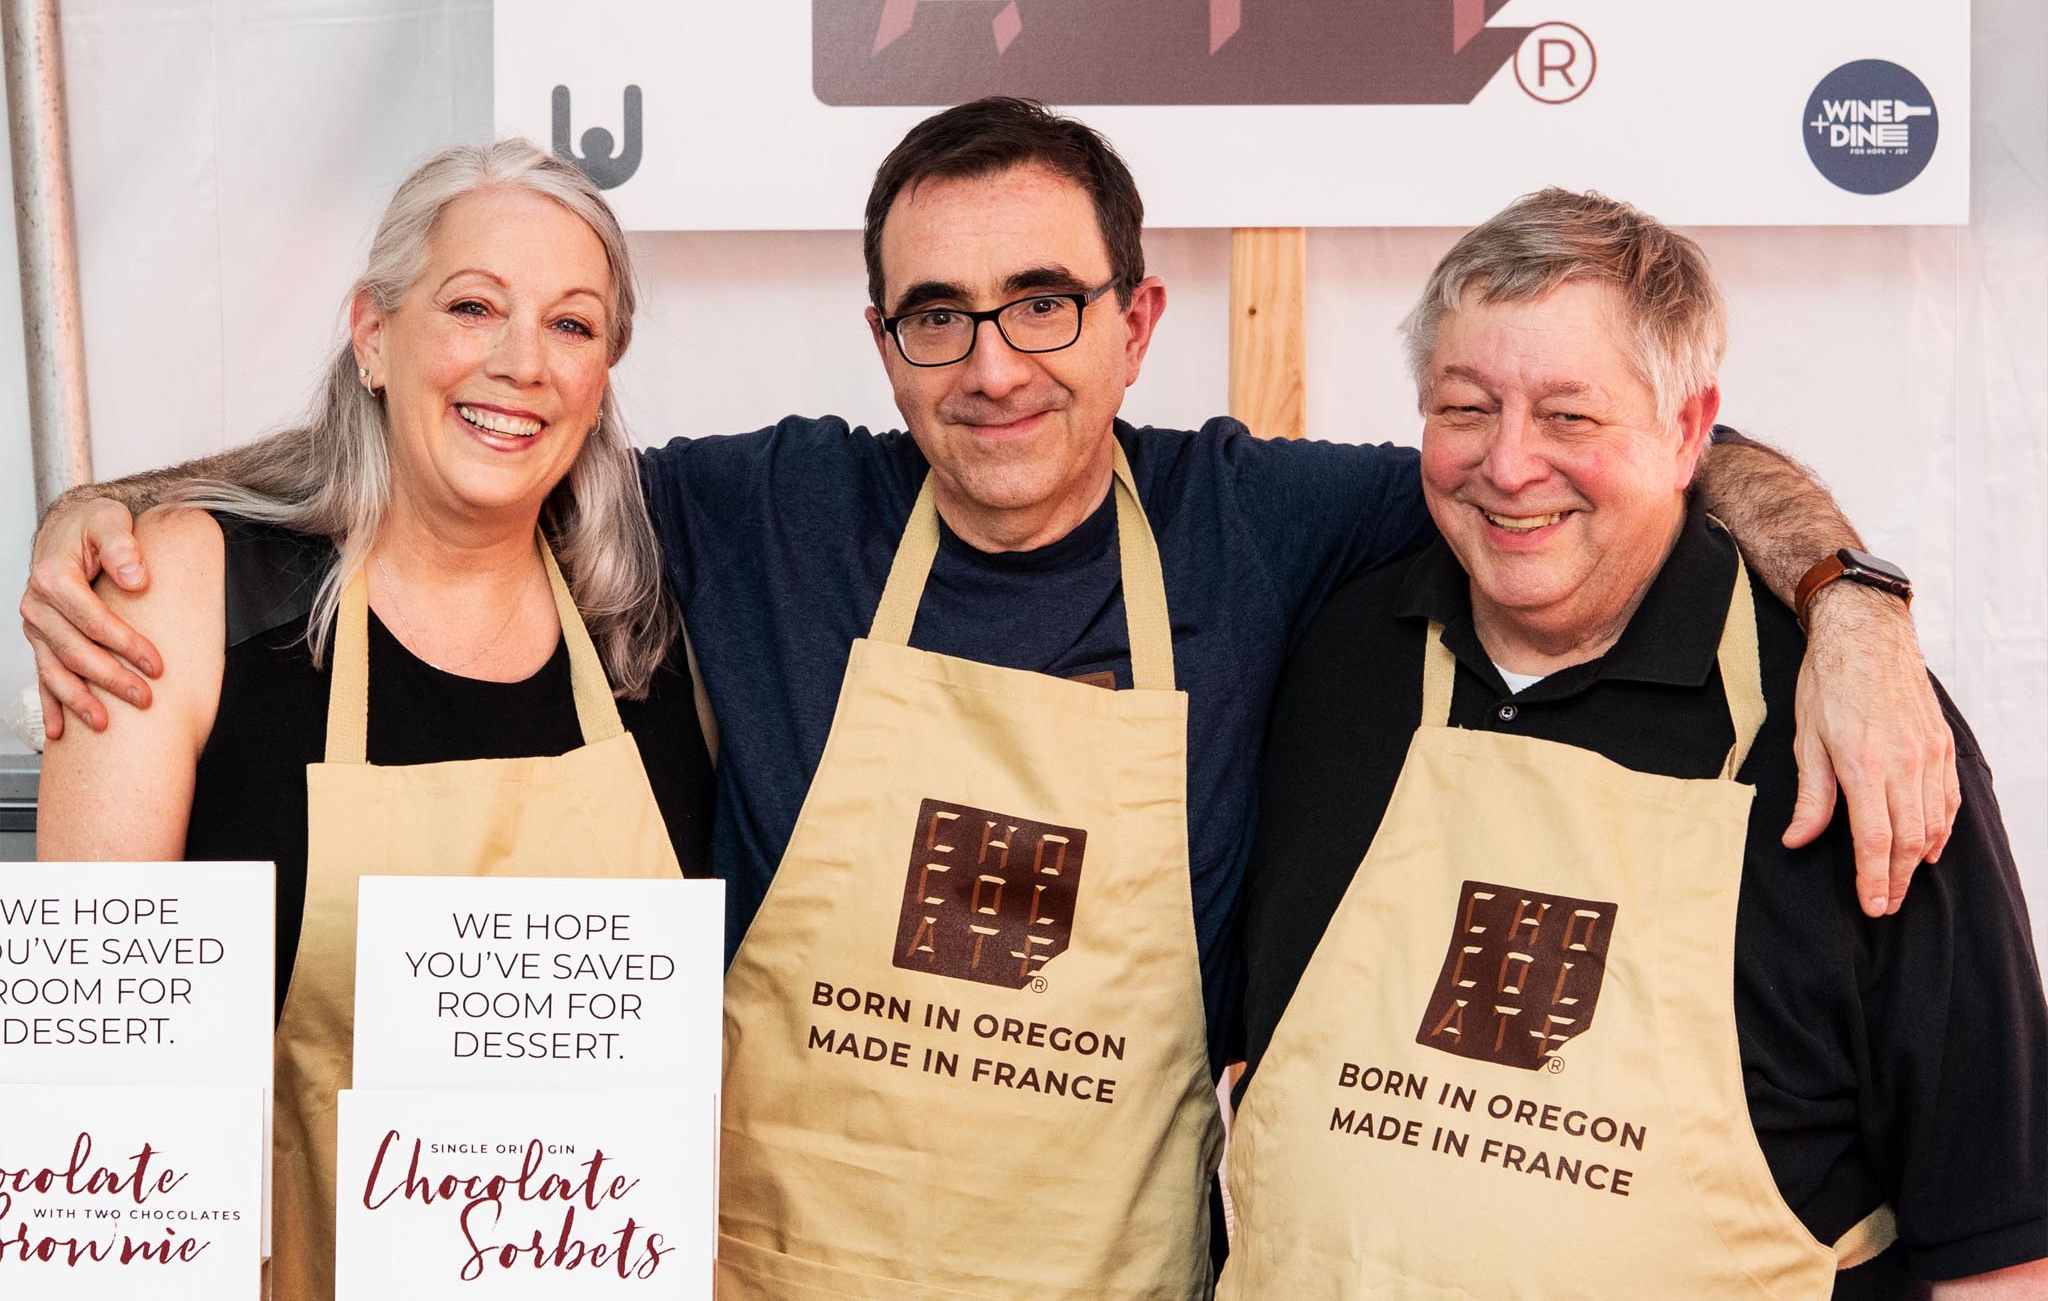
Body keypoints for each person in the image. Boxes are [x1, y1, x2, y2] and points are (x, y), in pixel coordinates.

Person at [23, 102, 1958, 1301]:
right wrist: (107, 509)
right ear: (879, 338)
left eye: (1044, 300)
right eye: (934, 314)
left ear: (1135, 316)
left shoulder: (1267, 520)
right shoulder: (742, 512)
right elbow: (451, 462)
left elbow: (1589, 448)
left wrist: (1847, 592)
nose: (991, 361)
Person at [1226, 190, 2047, 1299]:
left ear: (1686, 428)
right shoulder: (1329, 649)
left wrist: (1853, 602)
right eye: (1464, 406)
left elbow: (1999, 1244)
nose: (1509, 465)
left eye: (1569, 416)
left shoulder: (1858, 731)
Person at [35, 139, 714, 1301]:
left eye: (571, 325)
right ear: (372, 335)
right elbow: (94, 1082)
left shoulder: (652, 636)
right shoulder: (183, 593)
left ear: (604, 372)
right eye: (472, 305)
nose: (520, 364)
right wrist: (86, 508)